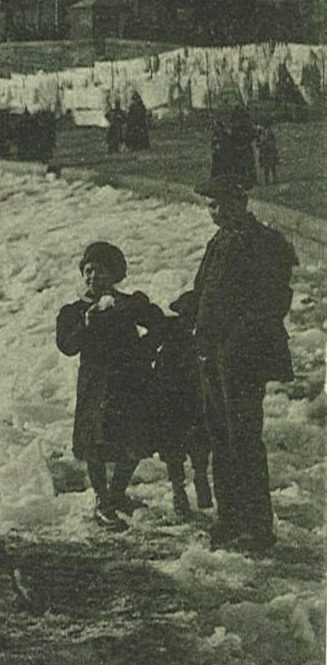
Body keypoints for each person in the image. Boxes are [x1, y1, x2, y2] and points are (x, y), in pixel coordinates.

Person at [191, 176, 297, 553]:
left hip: (244, 359)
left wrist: (235, 345)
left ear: (241, 201)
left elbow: (272, 302)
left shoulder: (265, 244)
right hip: (213, 356)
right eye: (210, 205)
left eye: (221, 203)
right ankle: (229, 517)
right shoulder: (218, 242)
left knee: (244, 440)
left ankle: (257, 525)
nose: (215, 211)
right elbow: (203, 292)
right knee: (220, 437)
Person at [56, 242, 163, 529]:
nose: (93, 278)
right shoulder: (75, 310)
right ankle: (102, 499)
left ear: (114, 276)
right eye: (89, 271)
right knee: (95, 443)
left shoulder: (128, 305)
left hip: (128, 382)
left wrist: (144, 350)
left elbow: (159, 326)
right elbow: (66, 346)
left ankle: (117, 493)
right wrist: (86, 324)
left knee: (130, 441)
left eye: (101, 272)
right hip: (95, 385)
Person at [150, 290, 214, 519]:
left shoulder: (208, 334)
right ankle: (179, 490)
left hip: (194, 399)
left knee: (199, 445)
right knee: (174, 450)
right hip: (172, 399)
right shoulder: (170, 330)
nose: (191, 320)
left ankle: (200, 477)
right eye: (187, 315)